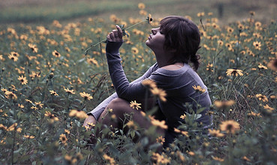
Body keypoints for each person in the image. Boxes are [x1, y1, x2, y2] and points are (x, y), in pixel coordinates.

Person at [83, 16, 212, 148]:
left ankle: (93, 150)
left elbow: (124, 92)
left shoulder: (172, 73)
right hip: (175, 134)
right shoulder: (163, 67)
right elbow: (129, 91)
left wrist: (112, 52)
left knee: (118, 106)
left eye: (161, 32)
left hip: (186, 148)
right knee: (143, 99)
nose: (153, 30)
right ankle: (105, 144)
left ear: (173, 47)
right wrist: (92, 115)